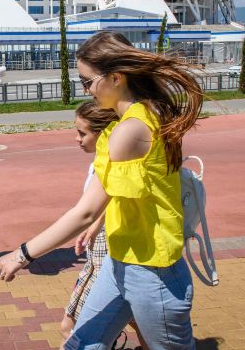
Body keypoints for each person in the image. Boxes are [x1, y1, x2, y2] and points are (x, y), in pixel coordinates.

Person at [0, 30, 204, 350]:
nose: (85, 89)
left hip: (154, 276)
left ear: (116, 78)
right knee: (81, 343)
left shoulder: (130, 131)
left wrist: (22, 254)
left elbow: (86, 210)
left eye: (87, 81)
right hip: (120, 262)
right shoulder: (142, 117)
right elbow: (122, 196)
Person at [62, 100, 148, 350]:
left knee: (71, 328)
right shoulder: (103, 162)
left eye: (82, 132)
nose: (77, 139)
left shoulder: (113, 162)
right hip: (101, 253)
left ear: (103, 133)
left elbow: (97, 207)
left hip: (106, 252)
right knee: (137, 322)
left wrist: (24, 254)